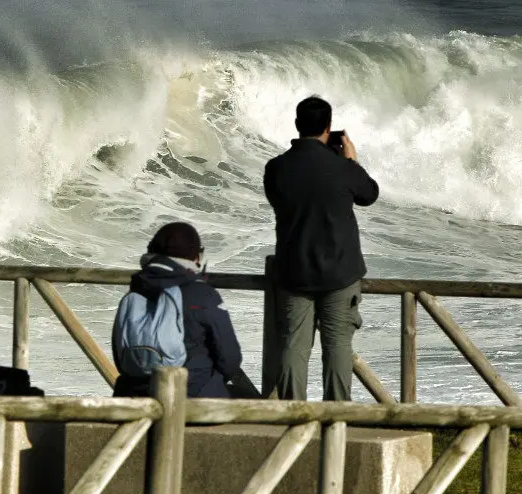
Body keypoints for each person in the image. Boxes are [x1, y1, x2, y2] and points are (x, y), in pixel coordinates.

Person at [262, 96, 380, 401]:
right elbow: (368, 195)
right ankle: (337, 419)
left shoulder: (276, 168)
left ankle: (294, 419)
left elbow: (278, 200)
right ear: (329, 128)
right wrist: (351, 161)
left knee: (293, 346)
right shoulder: (342, 168)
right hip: (340, 271)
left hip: (294, 270)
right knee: (338, 344)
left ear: (298, 125)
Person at [111, 222, 246, 398]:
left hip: (133, 400)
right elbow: (230, 359)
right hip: (190, 403)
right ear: (196, 257)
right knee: (244, 397)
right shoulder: (202, 294)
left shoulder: (135, 292)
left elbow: (121, 357)